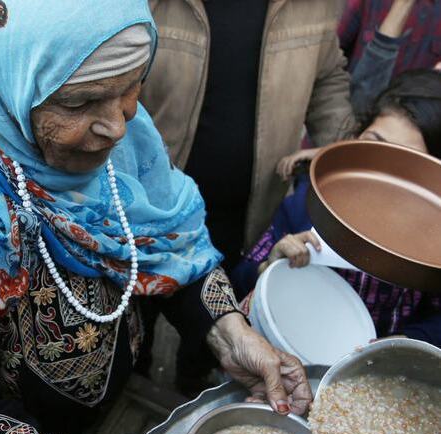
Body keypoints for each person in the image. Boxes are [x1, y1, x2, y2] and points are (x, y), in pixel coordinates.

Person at [0, 1, 312, 434]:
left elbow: (171, 249)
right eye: (80, 102)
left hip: (112, 425)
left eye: (132, 86)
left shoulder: (125, 141)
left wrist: (227, 330)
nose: (118, 125)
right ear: (6, 85)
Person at [233, 69, 441, 348]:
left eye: (405, 161)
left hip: (377, 375)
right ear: (357, 135)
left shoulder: (433, 246)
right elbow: (238, 282)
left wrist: (401, 346)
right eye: (373, 143)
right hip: (284, 349)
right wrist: (269, 265)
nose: (381, 167)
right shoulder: (308, 205)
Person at [141, 0, 354, 269]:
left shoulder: (312, 5)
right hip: (151, 208)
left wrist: (343, 158)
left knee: (227, 305)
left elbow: (327, 78)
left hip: (253, 216)